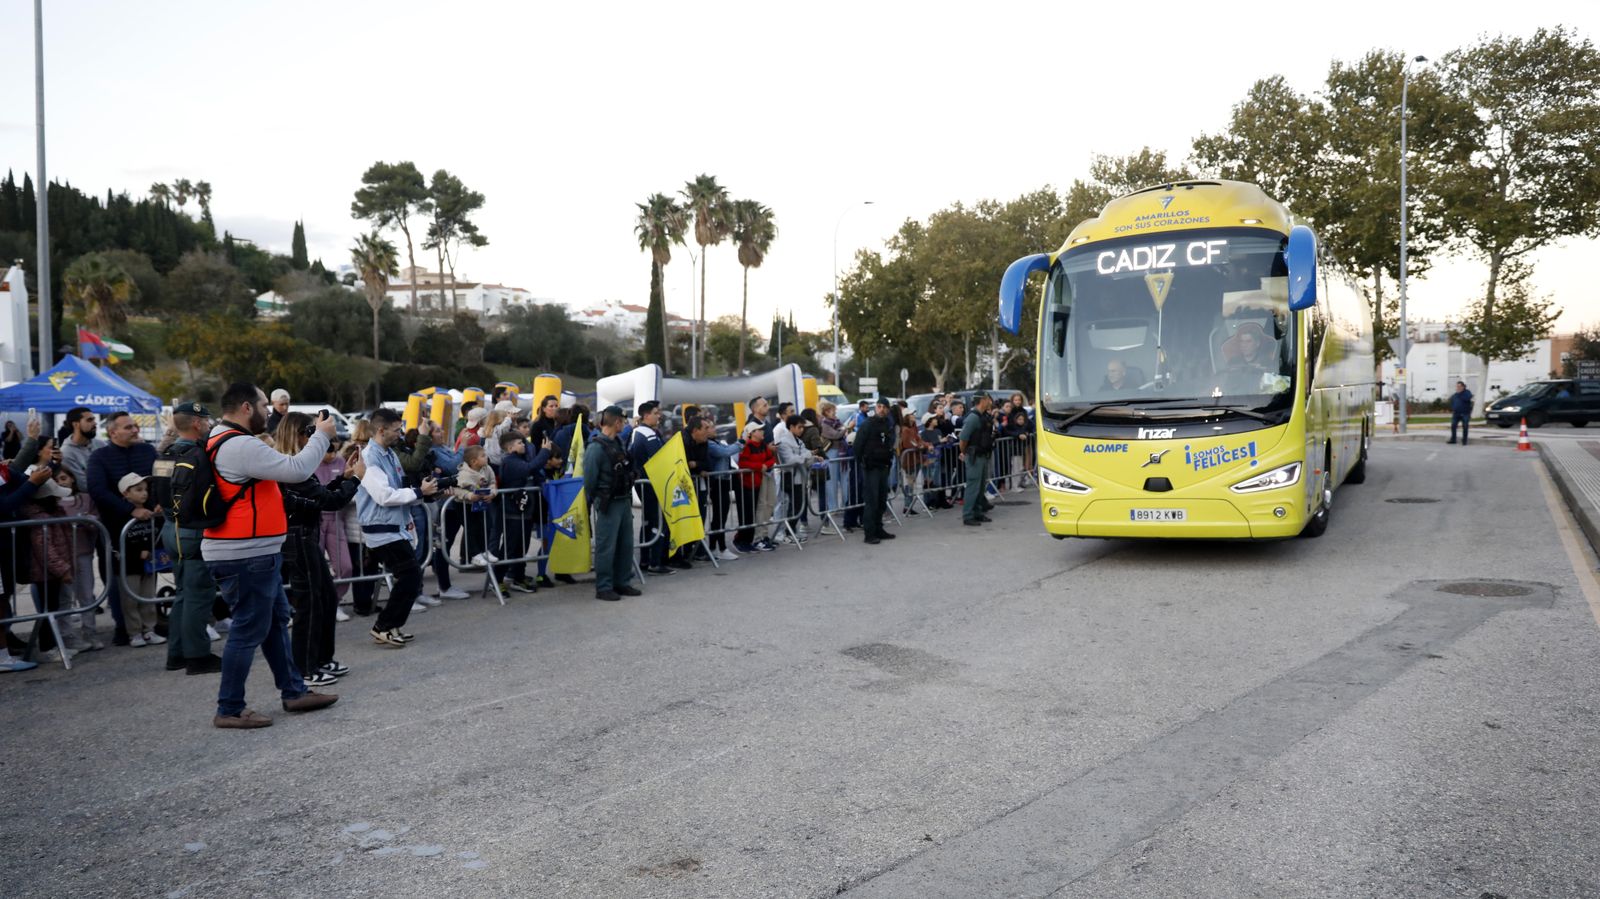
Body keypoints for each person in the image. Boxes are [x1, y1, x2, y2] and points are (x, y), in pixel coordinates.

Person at [204, 382, 340, 729]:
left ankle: (293, 690)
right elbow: (295, 471)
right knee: (249, 628)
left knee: (276, 620)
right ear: (247, 407)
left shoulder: (225, 440)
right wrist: (321, 436)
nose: (269, 411)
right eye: (265, 405)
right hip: (245, 553)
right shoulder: (237, 444)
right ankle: (230, 707)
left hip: (253, 551)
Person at [275, 412, 362, 688]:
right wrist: (356, 481)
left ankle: (322, 659)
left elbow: (321, 496)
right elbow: (331, 501)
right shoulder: (291, 468)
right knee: (309, 604)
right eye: (311, 433)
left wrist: (344, 477)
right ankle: (305, 668)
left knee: (325, 598)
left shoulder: (297, 468)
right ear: (300, 435)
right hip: (298, 539)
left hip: (305, 537)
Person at [357, 407, 439, 647]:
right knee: (410, 577)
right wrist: (417, 492)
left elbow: (399, 485)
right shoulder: (371, 457)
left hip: (393, 526)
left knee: (409, 577)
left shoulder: (389, 453)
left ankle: (391, 626)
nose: (400, 433)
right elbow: (383, 495)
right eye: (396, 429)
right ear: (381, 430)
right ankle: (383, 626)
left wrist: (423, 492)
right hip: (381, 529)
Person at [157, 402, 223, 675]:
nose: (208, 424)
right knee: (198, 594)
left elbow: (159, 493)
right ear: (196, 423)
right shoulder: (198, 454)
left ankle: (178, 654)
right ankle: (197, 655)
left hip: (171, 529)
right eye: (205, 420)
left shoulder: (164, 454)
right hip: (191, 531)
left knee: (184, 593)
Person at [86, 411, 157, 646]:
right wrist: (130, 510)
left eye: (135, 426)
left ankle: (150, 626)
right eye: (128, 427)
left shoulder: (147, 451)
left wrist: (156, 502)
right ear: (113, 431)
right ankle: (124, 627)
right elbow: (97, 490)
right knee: (120, 580)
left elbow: (158, 478)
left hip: (149, 526)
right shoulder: (100, 457)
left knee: (148, 577)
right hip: (115, 528)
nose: (135, 430)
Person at [583, 406, 641, 601]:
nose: (624, 424)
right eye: (622, 421)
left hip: (623, 499)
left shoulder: (618, 442)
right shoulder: (595, 447)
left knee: (625, 544)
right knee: (606, 546)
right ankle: (604, 586)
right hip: (609, 502)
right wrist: (598, 499)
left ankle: (622, 582)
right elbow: (589, 480)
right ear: (617, 422)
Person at [57, 469, 104, 652]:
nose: (61, 482)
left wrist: (89, 520)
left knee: (86, 594)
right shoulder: (52, 502)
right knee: (65, 597)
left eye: (64, 477)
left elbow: (96, 522)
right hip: (62, 555)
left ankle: (90, 631)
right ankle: (67, 635)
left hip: (83, 552)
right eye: (57, 480)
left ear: (72, 479)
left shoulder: (85, 498)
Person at [116, 472, 163, 647]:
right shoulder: (120, 512)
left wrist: (158, 515)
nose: (144, 493)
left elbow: (157, 532)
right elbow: (117, 537)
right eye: (138, 490)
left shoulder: (150, 509)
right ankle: (134, 633)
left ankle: (149, 630)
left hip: (149, 562)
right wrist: (137, 552)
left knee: (148, 596)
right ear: (126, 493)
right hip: (129, 564)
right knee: (130, 600)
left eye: (145, 489)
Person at [629, 401, 672, 575]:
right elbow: (659, 459)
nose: (659, 415)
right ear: (646, 416)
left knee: (648, 522)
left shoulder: (638, 432)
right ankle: (655, 562)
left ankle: (646, 561)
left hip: (645, 483)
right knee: (656, 523)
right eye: (656, 412)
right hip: (650, 484)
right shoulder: (647, 434)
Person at [856, 397, 897, 544]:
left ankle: (879, 529)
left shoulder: (887, 424)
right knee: (871, 501)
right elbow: (858, 446)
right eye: (879, 406)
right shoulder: (868, 424)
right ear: (875, 408)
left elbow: (889, 443)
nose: (881, 409)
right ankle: (870, 533)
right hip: (871, 467)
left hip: (883, 466)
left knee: (881, 500)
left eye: (884, 407)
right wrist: (863, 463)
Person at [734, 422, 778, 553]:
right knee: (754, 511)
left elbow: (771, 459)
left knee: (766, 506)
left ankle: (762, 536)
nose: (762, 431)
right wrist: (760, 466)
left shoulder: (763, 446)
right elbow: (743, 462)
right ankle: (750, 539)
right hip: (750, 483)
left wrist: (765, 464)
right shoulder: (747, 446)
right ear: (752, 433)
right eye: (759, 430)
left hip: (761, 480)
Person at [959, 393, 997, 526]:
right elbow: (963, 438)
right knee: (973, 487)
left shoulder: (982, 416)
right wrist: (964, 452)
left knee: (980, 487)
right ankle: (968, 515)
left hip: (982, 455)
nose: (990, 402)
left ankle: (978, 512)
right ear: (982, 400)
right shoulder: (973, 418)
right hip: (974, 456)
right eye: (988, 399)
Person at [56, 407, 104, 491]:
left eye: (94, 420)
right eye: (89, 420)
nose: (95, 423)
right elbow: (84, 485)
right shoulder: (67, 453)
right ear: (76, 424)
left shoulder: (100, 444)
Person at [1222, 323, 1274, 393]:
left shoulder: (1266, 362)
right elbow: (1224, 385)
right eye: (1242, 341)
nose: (1244, 345)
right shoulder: (1233, 362)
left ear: (1257, 343)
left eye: (1248, 341)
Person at [1449, 380, 1474, 445]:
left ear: (1463, 387)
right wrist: (1453, 407)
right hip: (1456, 413)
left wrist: (1459, 394)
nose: (1458, 387)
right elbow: (1452, 400)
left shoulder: (1467, 392)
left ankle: (1464, 440)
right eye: (1457, 386)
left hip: (1465, 413)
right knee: (1453, 425)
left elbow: (1467, 398)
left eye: (1459, 386)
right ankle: (1453, 439)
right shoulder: (1455, 394)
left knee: (1465, 426)